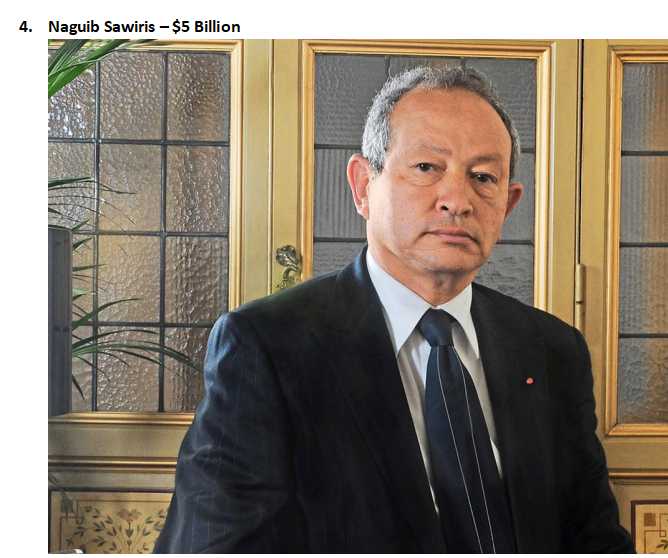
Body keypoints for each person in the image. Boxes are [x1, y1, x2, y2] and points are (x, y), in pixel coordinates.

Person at [154, 66, 635, 553]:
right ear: (363, 186)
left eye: (483, 177)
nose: (457, 200)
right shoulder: (267, 346)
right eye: (426, 168)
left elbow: (596, 541)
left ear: (507, 205)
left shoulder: (552, 350)